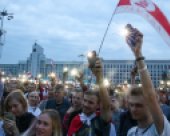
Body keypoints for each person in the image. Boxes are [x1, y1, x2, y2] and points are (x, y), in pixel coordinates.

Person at [125, 24, 170, 135]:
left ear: (150, 105)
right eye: (131, 105)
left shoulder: (161, 129)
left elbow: (150, 96)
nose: (134, 109)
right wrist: (132, 79)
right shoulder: (131, 132)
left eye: (139, 105)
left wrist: (138, 55)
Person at [68, 56, 116, 136]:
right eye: (85, 100)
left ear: (98, 105)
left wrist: (99, 76)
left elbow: (106, 106)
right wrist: (81, 82)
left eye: (90, 102)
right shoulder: (75, 119)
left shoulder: (102, 119)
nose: (86, 104)